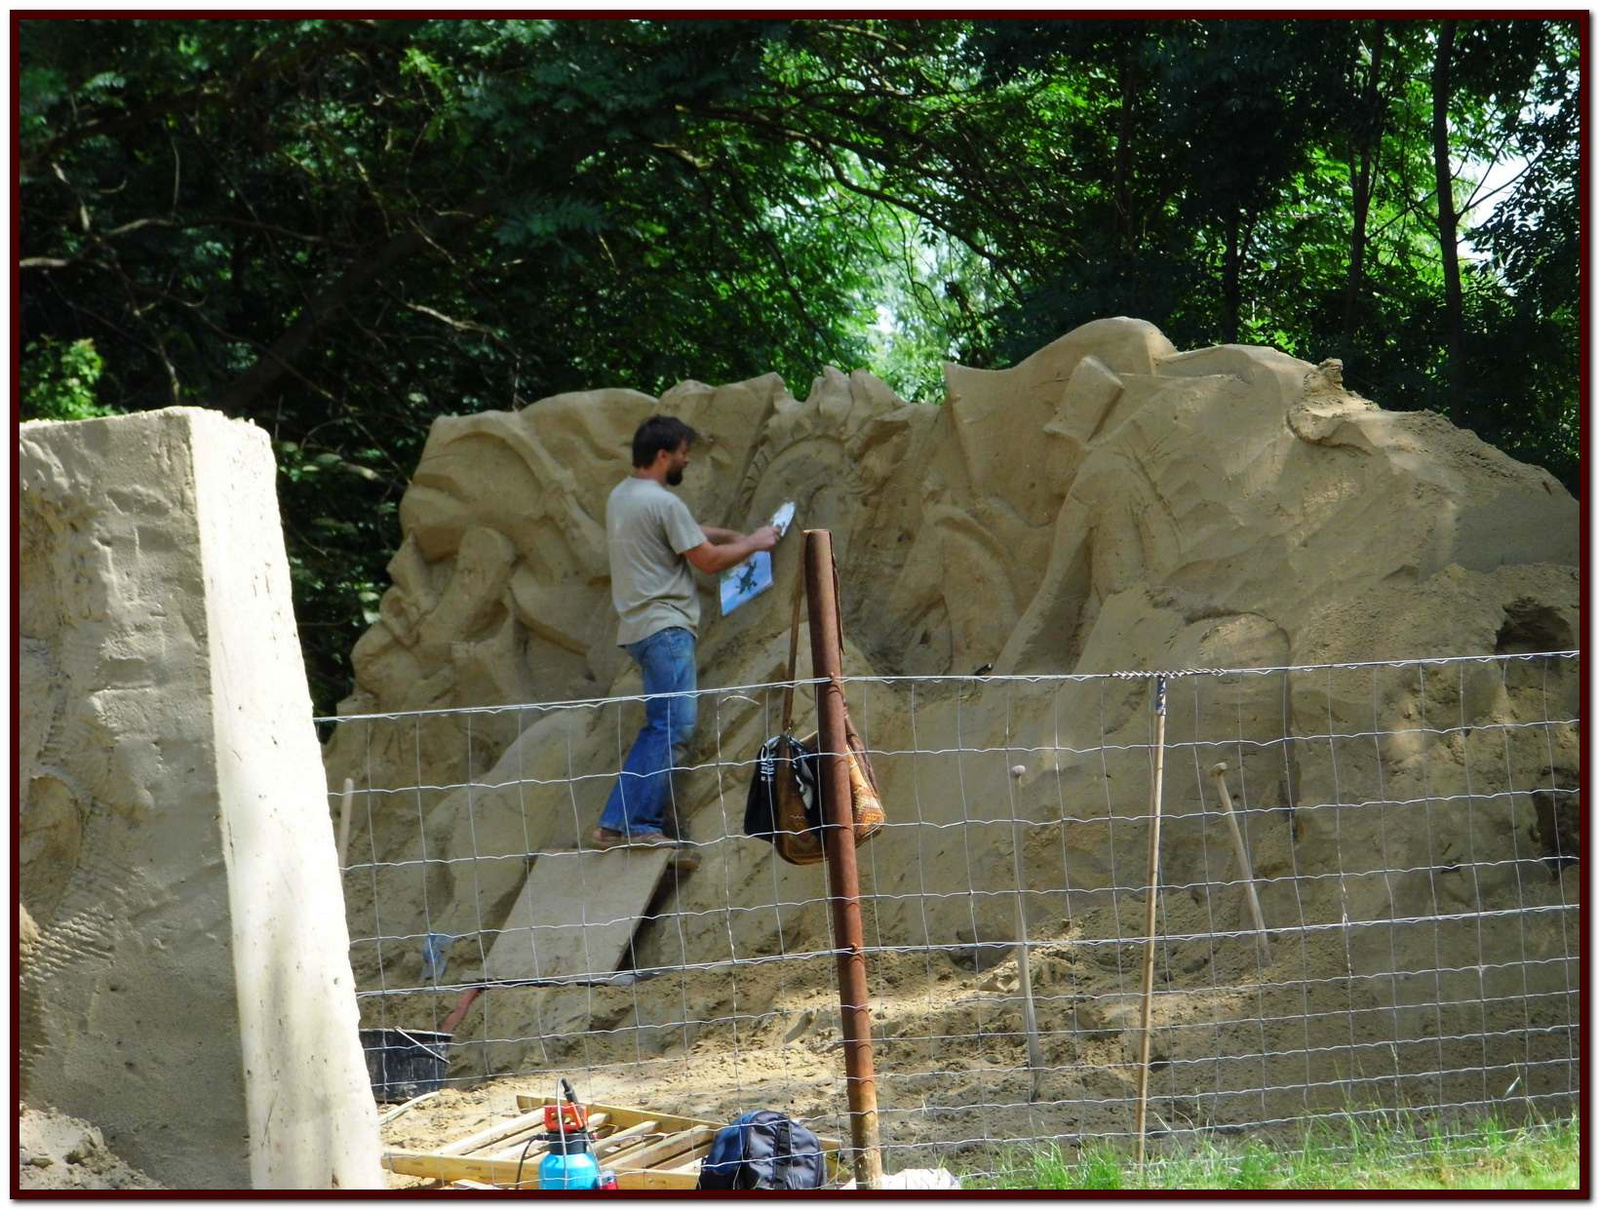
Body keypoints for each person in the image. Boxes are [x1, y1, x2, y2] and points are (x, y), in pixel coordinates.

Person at [594, 415, 779, 849]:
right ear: (663, 456)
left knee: (659, 725)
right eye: (682, 453)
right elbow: (708, 560)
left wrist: (734, 534)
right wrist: (754, 543)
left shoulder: (624, 496)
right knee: (674, 727)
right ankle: (640, 826)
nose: (687, 460)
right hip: (667, 628)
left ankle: (613, 825)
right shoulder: (664, 504)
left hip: (639, 629)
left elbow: (679, 533)